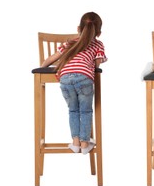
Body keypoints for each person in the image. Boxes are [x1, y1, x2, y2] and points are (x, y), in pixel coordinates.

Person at [41, 12, 107, 154]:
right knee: (86, 111)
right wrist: (92, 66)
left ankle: (75, 143)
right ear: (99, 32)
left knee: (73, 110)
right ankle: (85, 144)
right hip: (84, 79)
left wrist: (41, 68)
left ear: (78, 28)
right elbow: (97, 65)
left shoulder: (70, 42)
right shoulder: (98, 44)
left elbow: (53, 57)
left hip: (64, 79)